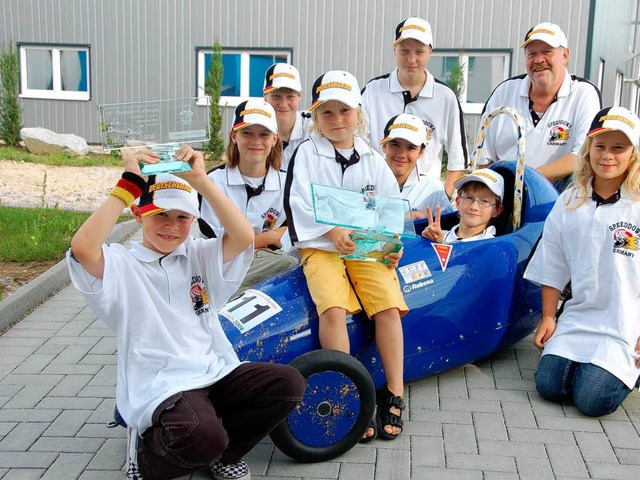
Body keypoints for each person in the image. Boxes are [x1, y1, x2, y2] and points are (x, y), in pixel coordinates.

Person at [66, 146, 306, 480]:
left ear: (193, 220)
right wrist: (129, 184)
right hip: (161, 383)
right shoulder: (121, 263)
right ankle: (146, 457)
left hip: (212, 370)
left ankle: (227, 454)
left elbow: (243, 236)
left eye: (182, 217)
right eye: (160, 215)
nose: (171, 226)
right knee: (204, 437)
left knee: (288, 382)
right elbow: (83, 248)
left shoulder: (198, 254)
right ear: (138, 215)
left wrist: (200, 181)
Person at [284, 70, 407, 441]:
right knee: (333, 308)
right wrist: (330, 231)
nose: (337, 120)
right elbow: (297, 203)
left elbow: (390, 209)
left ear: (359, 113)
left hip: (365, 245)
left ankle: (396, 391)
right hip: (321, 246)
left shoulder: (372, 157)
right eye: (327, 113)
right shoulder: (306, 153)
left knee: (387, 305)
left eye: (345, 111)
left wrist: (391, 247)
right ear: (316, 117)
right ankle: (351, 391)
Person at [523, 106, 640, 416]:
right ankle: (586, 364)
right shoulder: (571, 200)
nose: (607, 155)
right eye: (600, 146)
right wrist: (549, 317)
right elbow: (553, 262)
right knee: (549, 386)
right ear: (588, 149)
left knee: (591, 400)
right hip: (580, 316)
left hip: (627, 324)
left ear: (634, 154)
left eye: (619, 147)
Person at [478, 22, 602, 191]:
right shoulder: (504, 91)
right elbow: (483, 158)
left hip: (558, 194)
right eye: (532, 54)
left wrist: (528, 180)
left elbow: (582, 156)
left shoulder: (584, 93)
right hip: (505, 190)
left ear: (565, 55)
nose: (538, 60)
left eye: (547, 52)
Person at [199, 99, 298, 294]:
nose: (256, 141)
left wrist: (254, 243)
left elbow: (289, 239)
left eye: (264, 134)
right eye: (247, 133)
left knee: (288, 264)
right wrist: (268, 238)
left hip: (269, 266)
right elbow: (218, 247)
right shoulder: (213, 182)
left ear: (274, 138)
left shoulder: (289, 183)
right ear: (233, 136)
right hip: (221, 266)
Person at [361, 16, 468, 197]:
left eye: (419, 52)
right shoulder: (372, 91)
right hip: (376, 196)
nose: (411, 59)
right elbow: (359, 148)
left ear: (430, 52)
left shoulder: (445, 97)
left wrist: (441, 200)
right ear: (394, 50)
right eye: (404, 51)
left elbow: (458, 161)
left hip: (424, 200)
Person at [380, 113, 456, 219]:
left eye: (411, 148)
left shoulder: (432, 188)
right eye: (395, 145)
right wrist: (403, 219)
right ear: (384, 145)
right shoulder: (365, 180)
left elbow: (447, 228)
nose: (402, 154)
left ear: (421, 152)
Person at [422, 169, 504, 243]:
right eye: (468, 198)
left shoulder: (493, 246)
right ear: (458, 202)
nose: (474, 207)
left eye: (484, 201)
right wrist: (428, 243)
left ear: (497, 210)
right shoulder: (439, 236)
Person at [263, 63, 312, 170]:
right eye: (276, 96)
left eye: (290, 96)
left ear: (299, 97)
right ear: (265, 96)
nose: (283, 104)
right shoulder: (255, 129)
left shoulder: (315, 127)